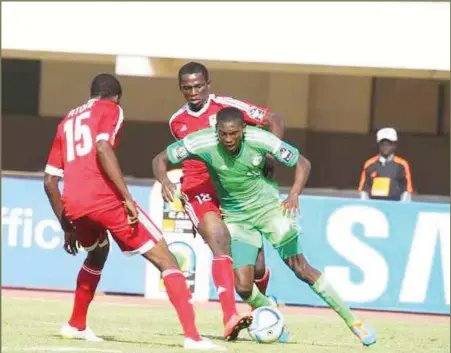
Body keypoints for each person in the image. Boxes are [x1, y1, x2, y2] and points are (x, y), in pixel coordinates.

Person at [153, 107, 377, 346]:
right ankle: (270, 310)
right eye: (223, 134)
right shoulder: (203, 141)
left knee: (301, 269)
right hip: (237, 218)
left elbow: (303, 163)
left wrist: (293, 194)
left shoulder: (260, 139)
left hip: (270, 211)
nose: (228, 139)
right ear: (216, 131)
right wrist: (165, 180)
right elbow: (160, 160)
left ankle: (354, 322)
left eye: (234, 134)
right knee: (243, 287)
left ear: (243, 130)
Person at [43, 73, 224, 351]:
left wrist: (67, 225)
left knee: (97, 252)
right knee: (167, 260)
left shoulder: (67, 120)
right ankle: (193, 337)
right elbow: (103, 147)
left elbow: (50, 180)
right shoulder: (111, 108)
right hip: (105, 200)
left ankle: (75, 324)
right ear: (116, 96)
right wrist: (126, 197)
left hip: (74, 204)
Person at [167, 62, 285, 340]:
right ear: (181, 89)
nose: (193, 92)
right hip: (198, 189)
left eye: (198, 86)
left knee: (255, 270)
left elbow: (275, 119)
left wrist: (270, 155)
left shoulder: (227, 107)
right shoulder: (176, 122)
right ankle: (230, 315)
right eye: (186, 88)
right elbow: (172, 156)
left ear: (208, 84)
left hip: (235, 191)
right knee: (220, 241)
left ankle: (263, 307)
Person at [358, 127, 413, 202]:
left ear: (394, 145)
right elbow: (364, 190)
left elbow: (406, 190)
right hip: (374, 206)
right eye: (382, 144)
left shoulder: (402, 164)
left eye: (389, 144)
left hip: (395, 205)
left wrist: (402, 208)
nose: (385, 147)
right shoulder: (369, 164)